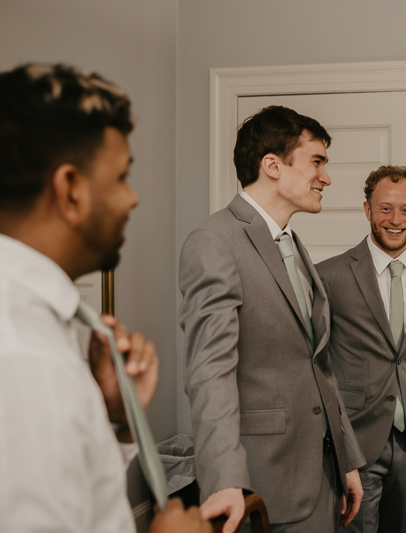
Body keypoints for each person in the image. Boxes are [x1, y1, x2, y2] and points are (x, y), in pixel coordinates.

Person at [0, 63, 209, 533]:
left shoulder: (33, 326)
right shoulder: (20, 356)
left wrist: (113, 420)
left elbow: (69, 506)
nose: (133, 198)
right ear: (70, 189)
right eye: (121, 178)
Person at [179, 105, 365, 533]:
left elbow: (318, 366)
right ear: (272, 166)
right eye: (317, 161)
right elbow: (210, 373)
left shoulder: (292, 245)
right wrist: (224, 480)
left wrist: (346, 460)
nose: (327, 177)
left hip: (321, 477)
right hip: (261, 485)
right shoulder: (213, 243)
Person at [316, 165, 406, 533]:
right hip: (355, 441)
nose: (396, 219)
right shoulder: (329, 275)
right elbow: (318, 362)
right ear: (367, 210)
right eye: (385, 208)